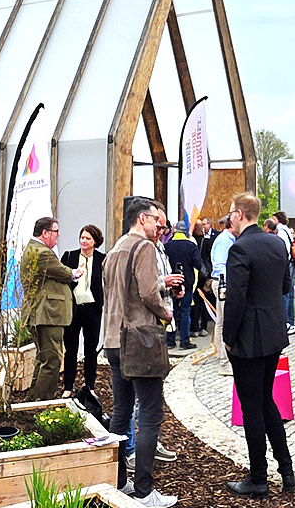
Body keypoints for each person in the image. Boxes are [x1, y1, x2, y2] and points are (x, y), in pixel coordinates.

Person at [102, 198, 181, 507]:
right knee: (149, 413)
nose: (159, 228)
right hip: (139, 340)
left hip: (113, 340)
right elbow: (148, 293)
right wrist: (166, 313)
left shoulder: (115, 249)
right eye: (157, 222)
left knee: (121, 412)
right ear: (144, 219)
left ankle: (119, 481)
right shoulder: (144, 247)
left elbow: (118, 292)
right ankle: (145, 491)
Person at [221, 193, 295, 497]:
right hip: (273, 332)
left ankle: (258, 477)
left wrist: (228, 337)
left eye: (230, 214)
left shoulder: (240, 248)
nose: (228, 219)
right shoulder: (276, 243)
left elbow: (236, 299)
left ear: (239, 214)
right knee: (266, 402)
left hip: (249, 338)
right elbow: (285, 287)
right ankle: (287, 471)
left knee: (252, 407)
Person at [21, 217, 78, 402]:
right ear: (45, 233)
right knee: (52, 361)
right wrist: (76, 273)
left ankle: (34, 399)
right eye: (55, 231)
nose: (58, 235)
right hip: (47, 314)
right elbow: (65, 273)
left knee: (43, 358)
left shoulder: (35, 249)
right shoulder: (42, 253)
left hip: (41, 314)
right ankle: (42, 402)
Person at [60, 224, 105, 397]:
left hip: (92, 309)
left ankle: (90, 385)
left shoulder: (102, 259)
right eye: (82, 237)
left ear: (95, 241)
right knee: (70, 348)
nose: (83, 241)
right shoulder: (69, 256)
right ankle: (68, 386)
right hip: (74, 308)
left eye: (88, 238)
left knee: (90, 349)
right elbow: (63, 279)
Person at [164, 221, 200, 353]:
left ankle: (170, 340)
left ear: (174, 231)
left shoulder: (167, 246)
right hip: (187, 281)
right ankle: (184, 340)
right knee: (185, 311)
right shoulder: (191, 246)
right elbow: (198, 264)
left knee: (171, 311)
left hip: (171, 282)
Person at [210, 217, 236, 374]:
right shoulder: (225, 240)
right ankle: (224, 362)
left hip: (221, 283)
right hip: (222, 284)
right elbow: (220, 264)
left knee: (221, 320)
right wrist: (225, 284)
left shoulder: (226, 239)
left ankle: (223, 357)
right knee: (223, 321)